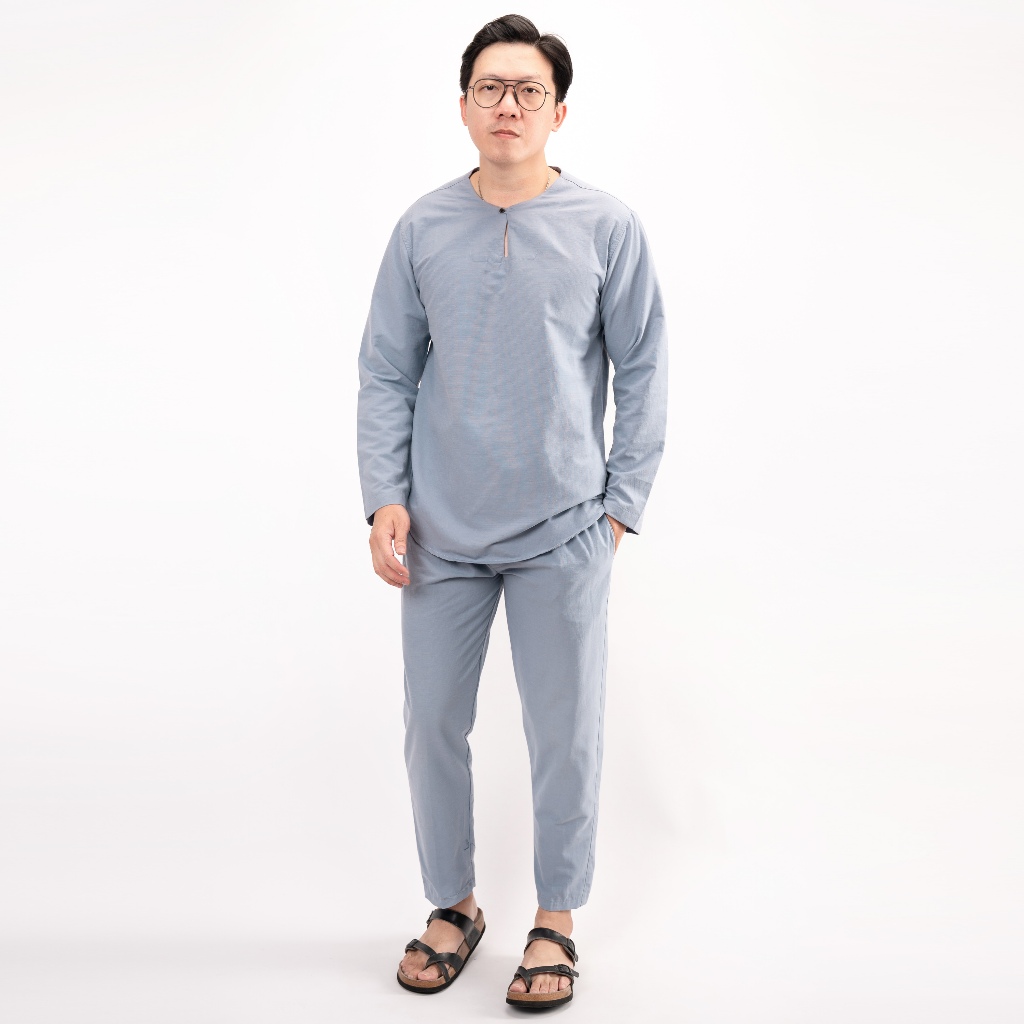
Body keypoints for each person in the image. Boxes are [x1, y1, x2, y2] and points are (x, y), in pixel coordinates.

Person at [356, 13, 668, 1011]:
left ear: (557, 111)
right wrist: (385, 496)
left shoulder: (606, 227)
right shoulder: (422, 228)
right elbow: (387, 369)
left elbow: (644, 366)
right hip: (440, 531)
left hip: (564, 530)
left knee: (564, 733)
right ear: (462, 106)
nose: (508, 105)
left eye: (528, 90)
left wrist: (618, 507)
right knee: (433, 726)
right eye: (490, 87)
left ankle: (556, 918)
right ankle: (454, 904)